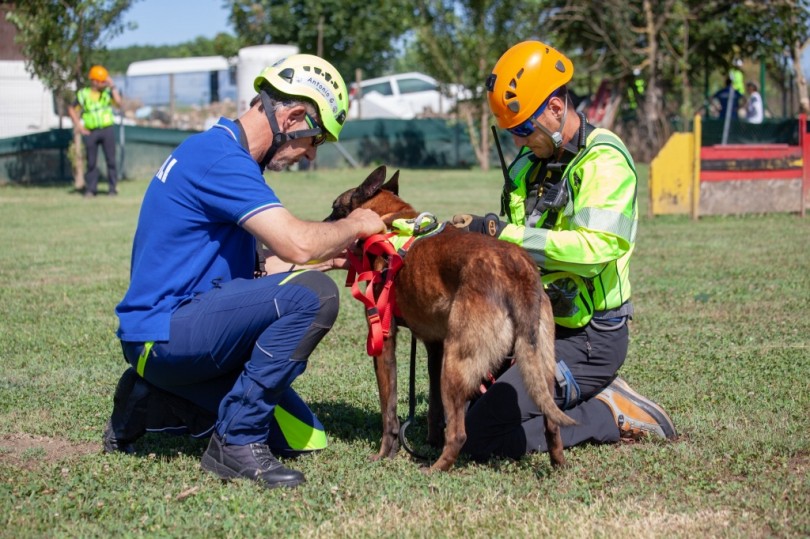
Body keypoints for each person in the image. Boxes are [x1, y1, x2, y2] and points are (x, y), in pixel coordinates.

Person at [104, 54, 386, 490]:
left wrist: (330, 259)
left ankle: (151, 399)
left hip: (176, 334)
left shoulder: (227, 157)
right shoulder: (220, 159)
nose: (310, 156)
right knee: (315, 296)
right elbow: (294, 242)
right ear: (292, 117)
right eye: (315, 140)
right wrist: (356, 223)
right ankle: (235, 443)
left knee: (304, 436)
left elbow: (266, 264)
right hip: (164, 333)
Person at [454, 40, 676, 461]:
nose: (519, 142)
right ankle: (572, 395)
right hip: (533, 323)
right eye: (511, 133)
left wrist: (509, 235)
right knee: (456, 414)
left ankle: (608, 410)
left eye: (523, 129)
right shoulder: (525, 167)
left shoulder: (605, 161)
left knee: (482, 437)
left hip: (589, 337)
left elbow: (596, 250)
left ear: (556, 108)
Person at [68, 65, 122, 197]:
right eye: (101, 81)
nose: (104, 83)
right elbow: (71, 109)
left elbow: (119, 104)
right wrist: (79, 126)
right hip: (91, 131)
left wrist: (113, 87)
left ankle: (112, 189)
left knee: (111, 161)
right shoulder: (84, 94)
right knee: (91, 162)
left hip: (107, 129)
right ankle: (91, 189)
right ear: (94, 81)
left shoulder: (107, 93)